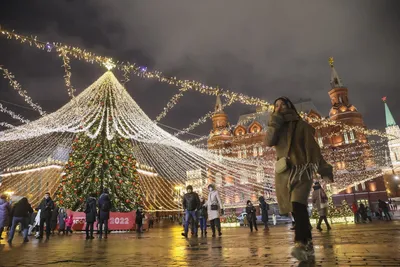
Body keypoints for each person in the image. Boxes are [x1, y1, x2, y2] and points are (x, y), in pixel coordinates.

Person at [265, 96, 333, 262]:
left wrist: (323, 169)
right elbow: (268, 141)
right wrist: (274, 122)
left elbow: (313, 148)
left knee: (298, 204)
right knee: (295, 209)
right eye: (276, 106)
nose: (279, 107)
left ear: (290, 106)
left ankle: (301, 243)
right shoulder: (277, 128)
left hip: (302, 171)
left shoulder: (301, 125)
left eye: (282, 104)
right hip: (284, 173)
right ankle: (307, 242)